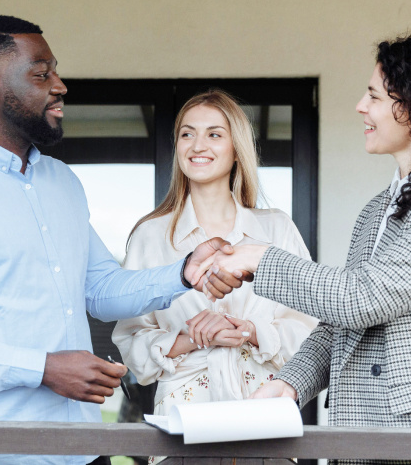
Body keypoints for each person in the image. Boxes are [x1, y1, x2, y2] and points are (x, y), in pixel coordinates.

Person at [0, 16, 241, 465]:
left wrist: (183, 273)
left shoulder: (63, 181)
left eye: (55, 71)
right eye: (41, 73)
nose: (60, 85)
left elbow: (100, 290)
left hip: (84, 450)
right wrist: (42, 369)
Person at [204, 31, 411, 464]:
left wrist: (261, 257)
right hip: (362, 435)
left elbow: (363, 297)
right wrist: (291, 383)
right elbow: (339, 324)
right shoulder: (376, 211)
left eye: (374, 96)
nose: (360, 107)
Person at [111, 91, 317, 464]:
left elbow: (312, 334)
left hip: (264, 423)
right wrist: (192, 337)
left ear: (237, 149)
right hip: (182, 430)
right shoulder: (150, 236)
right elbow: (131, 342)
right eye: (187, 134)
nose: (197, 145)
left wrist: (249, 330)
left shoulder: (276, 229)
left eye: (214, 134)